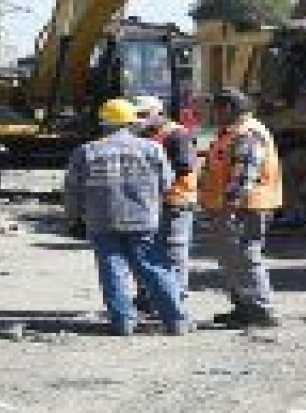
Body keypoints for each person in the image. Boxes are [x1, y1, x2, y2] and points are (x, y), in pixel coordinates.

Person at [65, 97, 190, 337]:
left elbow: (72, 191)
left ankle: (123, 323)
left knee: (113, 270)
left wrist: (73, 219)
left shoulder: (86, 151)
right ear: (131, 123)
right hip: (143, 219)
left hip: (102, 221)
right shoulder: (152, 148)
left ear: (104, 123)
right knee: (154, 268)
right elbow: (167, 183)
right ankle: (176, 321)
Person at [199, 87, 282, 328]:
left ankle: (260, 310)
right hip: (235, 207)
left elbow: (245, 175)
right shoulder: (233, 132)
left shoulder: (248, 134)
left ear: (229, 108)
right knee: (233, 259)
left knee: (246, 257)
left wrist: (230, 207)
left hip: (245, 208)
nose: (213, 113)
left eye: (217, 108)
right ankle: (245, 307)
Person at [131, 95, 197, 305]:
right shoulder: (142, 135)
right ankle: (149, 298)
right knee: (147, 251)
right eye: (135, 116)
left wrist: (152, 180)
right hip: (150, 203)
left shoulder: (177, 134)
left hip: (175, 201)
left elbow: (184, 166)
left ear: (157, 113)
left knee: (173, 252)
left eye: (143, 115)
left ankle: (175, 299)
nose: (138, 120)